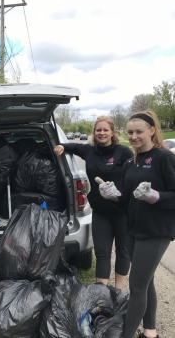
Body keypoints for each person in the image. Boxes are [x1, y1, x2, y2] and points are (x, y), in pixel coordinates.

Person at [98, 110, 175, 338]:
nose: (133, 136)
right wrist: (114, 195)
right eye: (130, 132)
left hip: (155, 231)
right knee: (146, 282)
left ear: (152, 130)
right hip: (132, 229)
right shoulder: (133, 161)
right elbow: (127, 199)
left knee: (137, 287)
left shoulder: (164, 157)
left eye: (139, 132)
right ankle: (150, 333)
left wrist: (157, 197)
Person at [54, 116, 133, 289]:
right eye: (98, 130)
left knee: (123, 252)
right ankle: (101, 292)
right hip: (100, 213)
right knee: (102, 254)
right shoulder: (89, 151)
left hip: (122, 212)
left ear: (112, 132)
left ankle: (118, 291)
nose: (102, 133)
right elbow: (73, 147)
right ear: (94, 132)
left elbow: (134, 178)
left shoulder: (124, 153)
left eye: (105, 130)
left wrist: (119, 193)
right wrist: (62, 147)